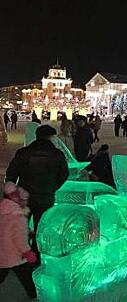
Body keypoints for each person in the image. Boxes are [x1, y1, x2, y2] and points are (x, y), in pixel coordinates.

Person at [4, 125, 69, 256]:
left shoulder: (23, 153)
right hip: (46, 197)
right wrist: (52, 187)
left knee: (21, 226)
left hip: (24, 198)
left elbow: (11, 174)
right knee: (41, 227)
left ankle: (20, 252)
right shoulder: (57, 154)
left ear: (36, 135)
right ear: (51, 137)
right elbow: (64, 174)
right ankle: (37, 253)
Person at [0, 183, 38, 299]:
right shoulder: (18, 216)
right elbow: (19, 239)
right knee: (26, 276)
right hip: (16, 255)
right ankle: (34, 296)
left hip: (2, 253)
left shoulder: (3, 210)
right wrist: (28, 252)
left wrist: (27, 231)